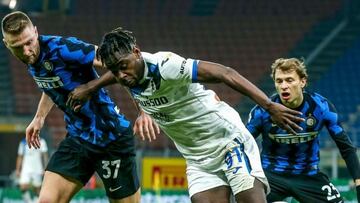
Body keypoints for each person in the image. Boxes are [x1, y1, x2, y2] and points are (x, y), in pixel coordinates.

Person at [67, 27, 305, 203]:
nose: (121, 75)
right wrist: (90, 87)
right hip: (198, 159)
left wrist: (268, 105)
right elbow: (117, 73)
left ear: (137, 52)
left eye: (123, 65)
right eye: (114, 70)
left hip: (228, 142)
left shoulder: (165, 66)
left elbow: (224, 72)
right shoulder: (126, 72)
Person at [2, 12, 157, 203]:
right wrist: (39, 117)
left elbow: (120, 63)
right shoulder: (33, 59)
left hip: (111, 137)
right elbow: (53, 82)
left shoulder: (64, 48)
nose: (26, 51)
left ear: (36, 32)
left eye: (29, 43)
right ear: (6, 44)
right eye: (18, 47)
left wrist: (143, 110)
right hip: (78, 139)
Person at [246, 58, 360, 203]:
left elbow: (346, 147)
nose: (284, 86)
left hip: (308, 176)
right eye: (279, 81)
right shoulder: (262, 111)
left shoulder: (321, 107)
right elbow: (243, 144)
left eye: (289, 80)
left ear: (302, 82)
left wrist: (358, 180)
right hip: (270, 176)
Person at [16, 137, 48, 203]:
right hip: (26, 168)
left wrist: (45, 168)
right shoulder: (23, 142)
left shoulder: (42, 141)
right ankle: (29, 201)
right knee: (23, 187)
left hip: (37, 168)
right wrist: (18, 169)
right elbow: (20, 156)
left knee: (37, 189)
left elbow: (45, 155)